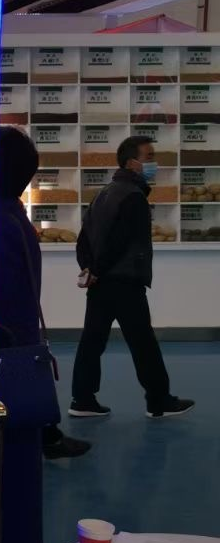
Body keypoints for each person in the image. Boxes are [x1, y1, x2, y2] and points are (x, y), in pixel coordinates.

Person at [71, 135, 193, 420]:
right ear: (131, 163)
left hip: (101, 283)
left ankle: (82, 399)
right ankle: (159, 401)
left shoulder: (103, 194)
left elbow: (83, 238)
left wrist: (89, 269)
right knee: (143, 342)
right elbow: (121, 241)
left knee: (92, 341)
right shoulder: (133, 197)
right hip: (125, 281)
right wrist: (98, 269)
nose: (154, 163)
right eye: (149, 157)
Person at [0, 125, 51, 543]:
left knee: (7, 493)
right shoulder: (13, 217)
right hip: (22, 371)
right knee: (18, 491)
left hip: (2, 375)